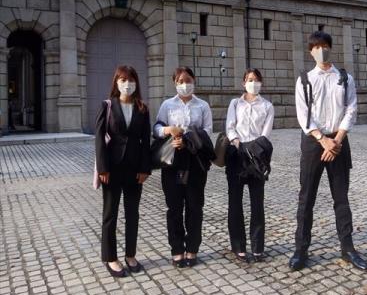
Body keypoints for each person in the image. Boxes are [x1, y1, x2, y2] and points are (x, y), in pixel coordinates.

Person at [289, 31, 367, 272]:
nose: (321, 51)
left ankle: (348, 248)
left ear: (330, 48)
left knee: (341, 198)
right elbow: (303, 114)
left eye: (324, 46)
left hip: (339, 140)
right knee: (306, 198)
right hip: (314, 141)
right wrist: (323, 140)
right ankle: (301, 249)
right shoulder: (304, 80)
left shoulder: (344, 78)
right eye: (316, 47)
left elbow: (351, 109)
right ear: (310, 51)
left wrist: (337, 140)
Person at [154, 67, 213, 268]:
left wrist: (187, 140)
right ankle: (177, 249)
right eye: (180, 81)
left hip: (195, 161)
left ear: (194, 81)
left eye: (188, 80)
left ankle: (192, 248)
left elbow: (207, 131)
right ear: (175, 83)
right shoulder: (167, 105)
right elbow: (156, 128)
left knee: (195, 206)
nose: (185, 84)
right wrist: (168, 130)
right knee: (174, 207)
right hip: (172, 161)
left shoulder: (202, 105)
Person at [95, 65, 151, 277]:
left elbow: (146, 140)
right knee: (110, 214)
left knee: (132, 214)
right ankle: (111, 258)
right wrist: (103, 168)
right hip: (112, 168)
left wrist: (145, 168)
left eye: (131, 80)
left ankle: (130, 254)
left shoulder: (142, 108)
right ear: (116, 83)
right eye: (123, 80)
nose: (127, 84)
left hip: (135, 169)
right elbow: (99, 139)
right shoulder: (107, 106)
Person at [226, 68, 274, 263]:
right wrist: (236, 141)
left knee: (257, 204)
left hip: (257, 156)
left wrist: (253, 148)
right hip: (237, 155)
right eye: (249, 80)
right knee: (235, 203)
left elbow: (265, 134)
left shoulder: (267, 106)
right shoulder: (235, 103)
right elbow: (230, 126)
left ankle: (257, 247)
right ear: (243, 82)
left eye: (256, 80)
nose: (253, 83)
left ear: (261, 82)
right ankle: (238, 246)